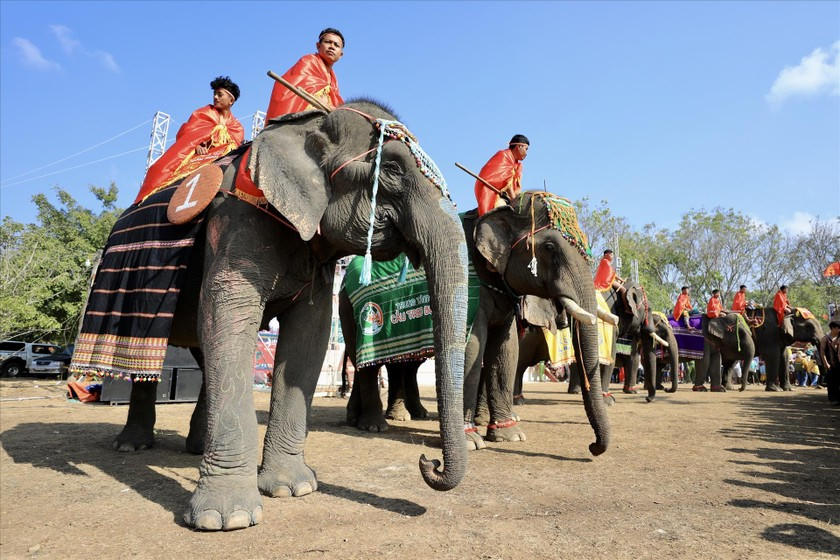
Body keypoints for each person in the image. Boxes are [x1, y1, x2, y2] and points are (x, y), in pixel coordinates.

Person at [135, 76, 244, 203]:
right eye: (214, 94)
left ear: (231, 100)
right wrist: (195, 146)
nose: (215, 97)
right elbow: (186, 135)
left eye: (220, 94)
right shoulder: (203, 113)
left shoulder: (237, 127)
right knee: (157, 170)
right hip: (197, 158)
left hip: (220, 163)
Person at [266, 28, 345, 119]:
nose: (332, 46)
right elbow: (293, 87)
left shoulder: (334, 79)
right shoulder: (308, 61)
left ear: (341, 55)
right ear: (318, 46)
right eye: (328, 42)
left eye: (336, 45)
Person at [474, 135, 529, 216]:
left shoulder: (518, 165)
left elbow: (516, 189)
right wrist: (514, 200)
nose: (526, 153)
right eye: (526, 149)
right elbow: (506, 181)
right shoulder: (504, 156)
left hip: (507, 197)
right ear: (519, 146)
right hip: (493, 193)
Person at [819, 321, 840, 404]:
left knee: (838, 381)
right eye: (838, 328)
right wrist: (825, 363)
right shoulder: (825, 338)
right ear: (833, 328)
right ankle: (833, 399)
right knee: (831, 382)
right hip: (830, 363)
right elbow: (822, 352)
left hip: (839, 363)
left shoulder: (839, 337)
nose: (839, 329)